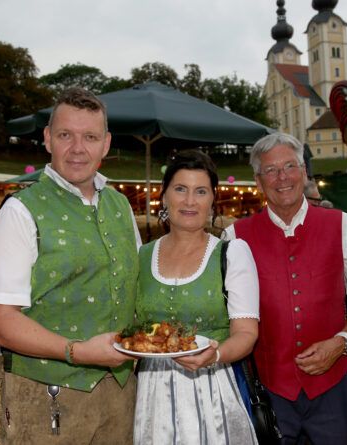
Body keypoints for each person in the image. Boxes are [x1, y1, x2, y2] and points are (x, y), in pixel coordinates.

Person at [0, 87, 142, 445]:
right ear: (47, 139)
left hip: (121, 392)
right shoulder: (21, 211)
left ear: (106, 144)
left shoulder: (120, 205)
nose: (78, 148)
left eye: (90, 137)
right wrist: (76, 351)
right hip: (45, 398)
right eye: (65, 135)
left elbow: (137, 289)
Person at [224, 132, 347, 444]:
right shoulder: (235, 236)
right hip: (270, 391)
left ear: (304, 172)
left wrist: (342, 342)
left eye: (290, 166)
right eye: (270, 170)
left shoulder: (341, 224)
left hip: (332, 390)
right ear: (258, 181)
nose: (282, 177)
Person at [134, 149, 260, 444]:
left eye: (200, 191)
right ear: (164, 196)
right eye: (180, 189)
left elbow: (246, 333)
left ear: (212, 200)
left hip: (212, 390)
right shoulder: (142, 256)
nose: (190, 201)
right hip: (152, 392)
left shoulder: (231, 254)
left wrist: (214, 355)